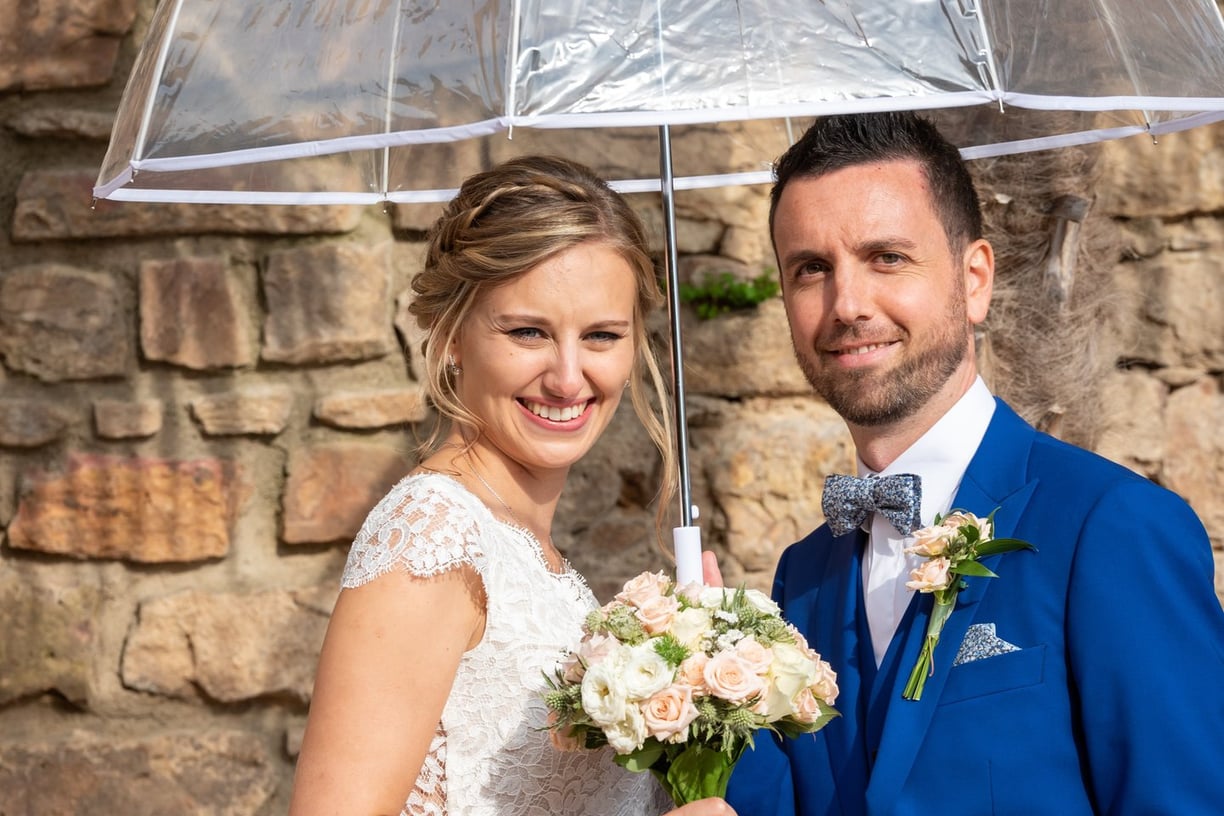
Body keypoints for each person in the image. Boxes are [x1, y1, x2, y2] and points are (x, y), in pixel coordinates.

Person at [724, 112, 1224, 815]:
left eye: (887, 258)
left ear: (975, 279)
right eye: (812, 269)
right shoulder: (801, 578)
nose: (848, 304)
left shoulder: (1112, 528)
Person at [288, 156, 734, 816]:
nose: (567, 376)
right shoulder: (432, 537)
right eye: (528, 331)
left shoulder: (527, 552)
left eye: (602, 336)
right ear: (452, 335)